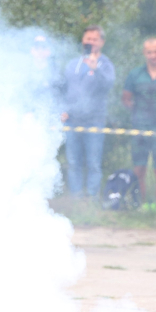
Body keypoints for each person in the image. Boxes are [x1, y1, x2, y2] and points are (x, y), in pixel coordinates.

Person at [62, 25, 115, 198]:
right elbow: (65, 89)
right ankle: (76, 200)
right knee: (73, 162)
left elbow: (108, 85)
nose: (90, 42)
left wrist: (95, 69)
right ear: (83, 40)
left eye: (94, 39)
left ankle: (92, 200)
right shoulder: (73, 64)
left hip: (95, 120)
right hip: (72, 120)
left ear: (102, 42)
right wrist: (63, 110)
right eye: (87, 39)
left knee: (93, 163)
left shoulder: (105, 64)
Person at [124, 38, 156, 211]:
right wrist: (131, 105)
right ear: (145, 53)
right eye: (149, 52)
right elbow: (126, 97)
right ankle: (140, 208)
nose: (153, 55)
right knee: (139, 170)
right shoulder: (135, 74)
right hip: (139, 128)